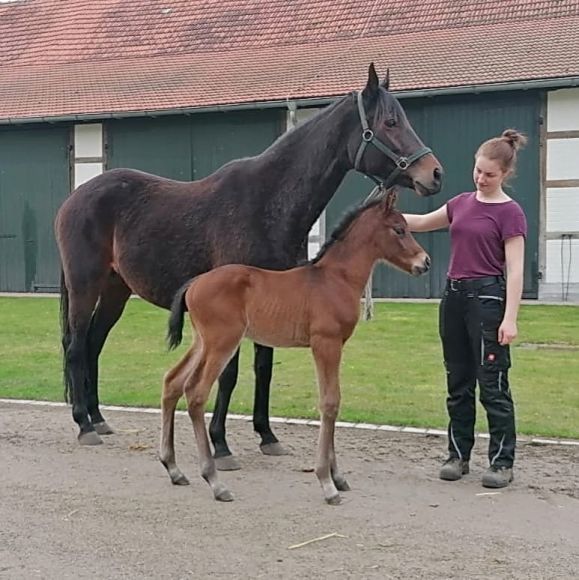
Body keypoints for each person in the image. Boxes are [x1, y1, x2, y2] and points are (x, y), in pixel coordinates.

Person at [404, 129, 527, 488]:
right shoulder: (459, 204)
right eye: (478, 171)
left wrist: (510, 318)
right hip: (453, 298)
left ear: (504, 174)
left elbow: (516, 268)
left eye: (489, 174)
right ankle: (458, 456)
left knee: (493, 386)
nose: (481, 178)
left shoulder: (510, 213)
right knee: (458, 383)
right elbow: (424, 223)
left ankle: (502, 462)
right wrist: (386, 213)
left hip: (488, 300)